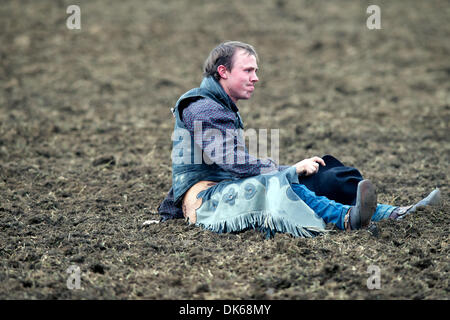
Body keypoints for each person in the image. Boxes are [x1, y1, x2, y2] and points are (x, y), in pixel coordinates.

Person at [157, 41, 440, 238]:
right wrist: (288, 170)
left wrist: (294, 170)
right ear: (223, 72)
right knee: (281, 181)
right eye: (248, 70)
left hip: (230, 188)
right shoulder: (201, 106)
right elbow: (235, 163)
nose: (256, 77)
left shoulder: (220, 105)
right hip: (207, 202)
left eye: (256, 70)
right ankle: (345, 218)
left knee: (324, 171)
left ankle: (395, 214)